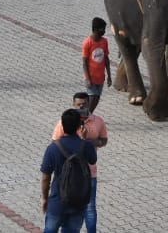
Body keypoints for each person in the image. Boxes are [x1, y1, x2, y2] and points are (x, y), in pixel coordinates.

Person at [51, 93, 108, 233]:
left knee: (90, 208)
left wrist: (90, 141)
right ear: (73, 105)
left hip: (89, 173)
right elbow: (55, 142)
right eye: (78, 104)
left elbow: (104, 140)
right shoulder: (65, 122)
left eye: (84, 104)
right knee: (64, 206)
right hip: (67, 173)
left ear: (89, 104)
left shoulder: (98, 121)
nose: (81, 106)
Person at [41, 108, 98, 232]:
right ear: (79, 126)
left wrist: (45, 198)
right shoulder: (86, 145)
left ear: (62, 125)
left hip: (57, 201)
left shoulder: (53, 148)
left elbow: (46, 177)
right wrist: (84, 140)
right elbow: (93, 160)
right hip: (78, 200)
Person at [80, 18, 111, 113]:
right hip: (91, 78)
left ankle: (86, 115)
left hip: (100, 77)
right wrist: (88, 79)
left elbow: (106, 59)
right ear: (96, 29)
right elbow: (84, 62)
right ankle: (86, 118)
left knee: (96, 99)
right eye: (102, 29)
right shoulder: (87, 43)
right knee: (93, 97)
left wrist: (109, 76)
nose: (104, 31)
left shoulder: (104, 41)